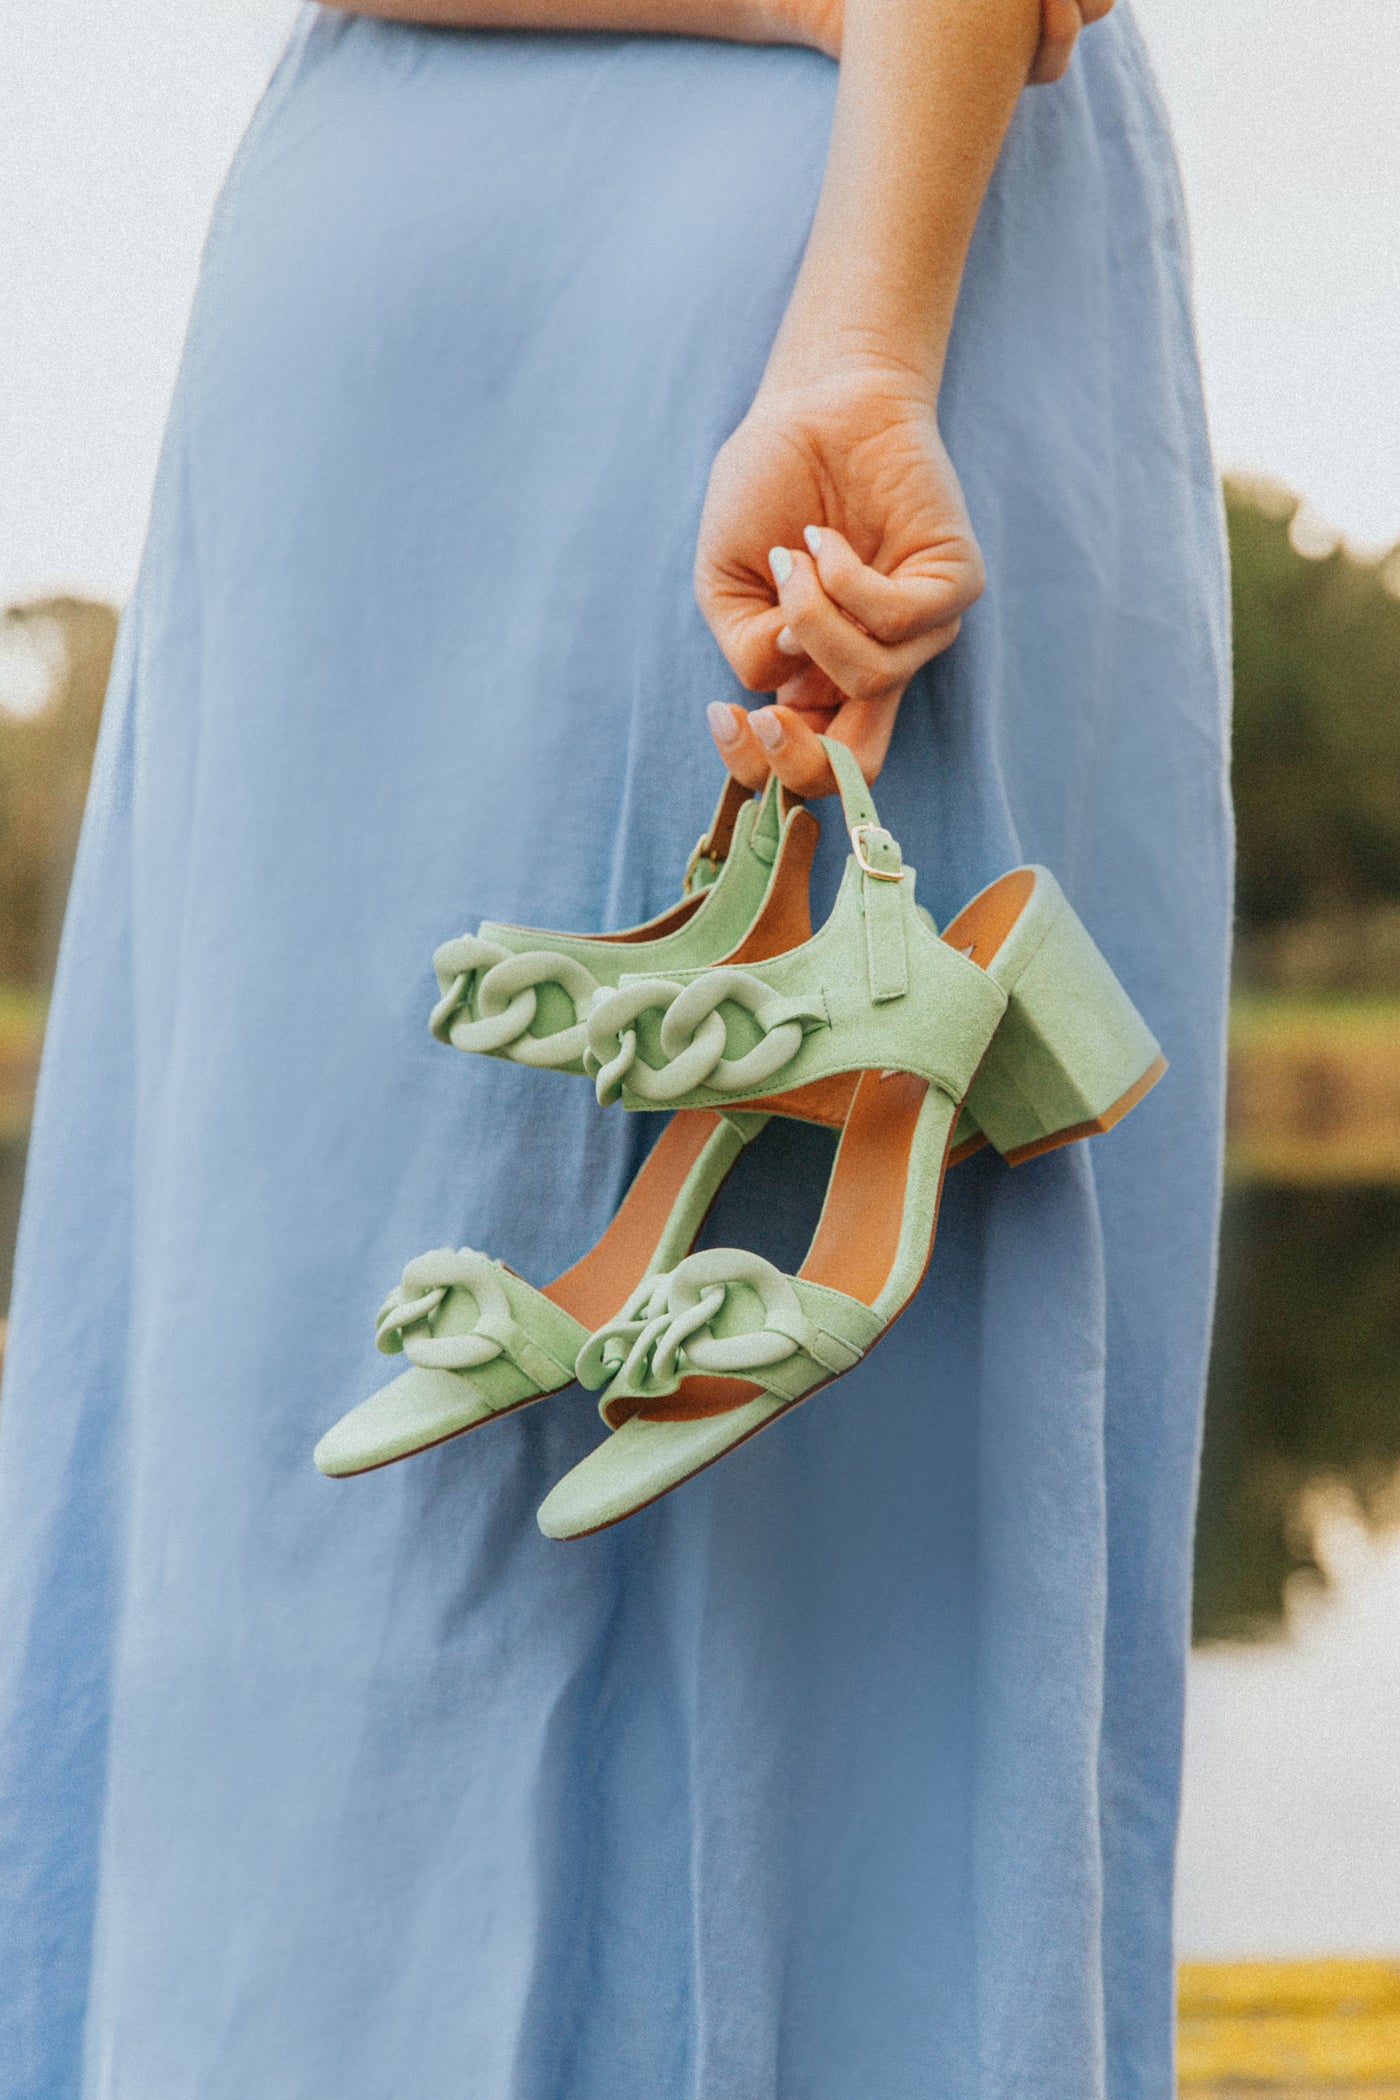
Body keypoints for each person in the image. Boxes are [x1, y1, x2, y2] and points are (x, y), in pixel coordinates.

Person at [0, 0, 1231, 2092]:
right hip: (906, 221)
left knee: (358, 1581)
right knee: (846, 1623)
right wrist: (860, 268)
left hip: (557, 247)